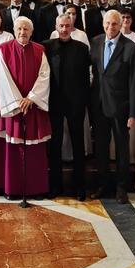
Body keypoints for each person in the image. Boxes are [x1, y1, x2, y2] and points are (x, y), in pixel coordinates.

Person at [0, 16, 52, 199]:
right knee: (12, 149)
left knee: (35, 150)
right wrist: (18, 101)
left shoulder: (40, 50)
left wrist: (31, 98)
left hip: (34, 107)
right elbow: (3, 78)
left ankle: (36, 189)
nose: (22, 32)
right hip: (13, 108)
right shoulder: (4, 50)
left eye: (26, 29)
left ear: (31, 32)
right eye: (19, 29)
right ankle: (12, 188)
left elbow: (44, 76)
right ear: (14, 31)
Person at [90, 10, 135, 203]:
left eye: (114, 24)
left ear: (121, 25)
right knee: (101, 148)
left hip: (121, 108)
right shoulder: (95, 42)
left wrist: (134, 113)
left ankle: (122, 188)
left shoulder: (131, 48)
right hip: (99, 105)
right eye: (107, 23)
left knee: (122, 148)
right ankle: (102, 184)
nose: (110, 27)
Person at [44, 13, 92, 199]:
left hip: (75, 103)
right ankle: (54, 185)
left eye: (67, 26)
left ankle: (79, 186)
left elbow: (87, 78)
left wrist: (83, 101)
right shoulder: (46, 47)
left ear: (72, 27)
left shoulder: (81, 48)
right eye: (61, 26)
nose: (64, 29)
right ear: (56, 27)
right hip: (53, 103)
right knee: (54, 146)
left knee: (78, 145)